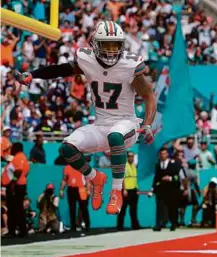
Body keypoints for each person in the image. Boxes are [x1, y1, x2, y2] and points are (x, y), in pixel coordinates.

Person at [15, 21, 157, 216]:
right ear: (96, 44)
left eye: (115, 45)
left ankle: (116, 190)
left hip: (127, 124)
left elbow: (149, 95)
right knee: (67, 147)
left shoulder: (129, 65)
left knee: (116, 136)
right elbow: (61, 69)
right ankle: (95, 177)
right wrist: (32, 74)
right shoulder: (87, 60)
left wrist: (147, 124)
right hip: (101, 125)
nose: (111, 50)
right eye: (106, 45)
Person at [150, 148, 186, 231]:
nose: (163, 155)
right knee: (159, 207)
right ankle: (158, 224)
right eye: (161, 154)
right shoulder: (158, 165)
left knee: (172, 207)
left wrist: (170, 178)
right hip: (161, 189)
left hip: (171, 189)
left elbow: (179, 176)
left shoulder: (174, 164)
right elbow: (156, 177)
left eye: (164, 154)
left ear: (167, 154)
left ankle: (173, 224)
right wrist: (153, 187)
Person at [1, 142, 30, 237]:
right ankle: (20, 230)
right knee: (17, 208)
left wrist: (12, 183)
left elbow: (18, 171)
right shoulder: (21, 157)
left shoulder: (18, 157)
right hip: (19, 185)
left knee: (14, 209)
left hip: (15, 186)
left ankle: (14, 230)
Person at [60, 164, 90, 232]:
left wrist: (88, 189)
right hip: (71, 189)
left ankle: (87, 226)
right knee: (72, 209)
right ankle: (73, 227)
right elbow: (64, 179)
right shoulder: (67, 167)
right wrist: (61, 189)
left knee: (84, 208)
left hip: (81, 188)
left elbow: (87, 179)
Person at [118, 151, 140, 230]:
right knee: (123, 209)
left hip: (133, 189)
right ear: (127, 157)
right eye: (129, 156)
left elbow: (135, 178)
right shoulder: (124, 166)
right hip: (126, 190)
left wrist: (137, 188)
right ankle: (120, 226)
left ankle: (135, 225)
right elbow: (122, 178)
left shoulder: (134, 166)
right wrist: (124, 189)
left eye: (132, 156)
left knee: (133, 209)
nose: (131, 158)